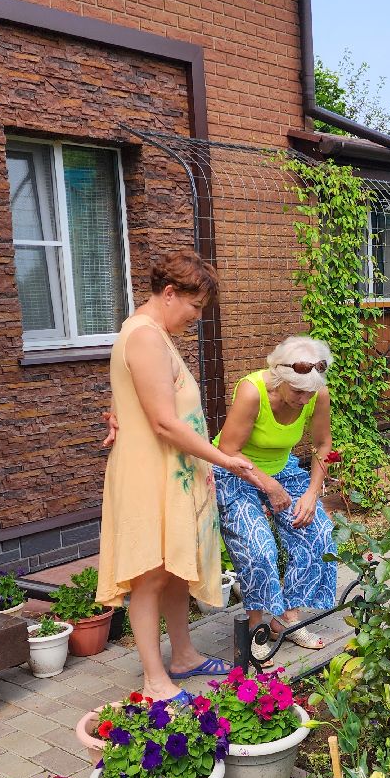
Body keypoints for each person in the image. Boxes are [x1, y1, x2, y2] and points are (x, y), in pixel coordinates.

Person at [95, 250, 258, 702]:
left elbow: (139, 402)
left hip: (169, 472)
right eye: (195, 307)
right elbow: (165, 423)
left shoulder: (155, 334)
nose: (196, 318)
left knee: (171, 569)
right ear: (170, 294)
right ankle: (154, 680)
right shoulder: (145, 337)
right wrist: (225, 460)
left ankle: (183, 655)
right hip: (149, 475)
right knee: (149, 574)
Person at [212, 336, 338, 652]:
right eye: (297, 391)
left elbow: (323, 444)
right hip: (235, 470)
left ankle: (286, 619)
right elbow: (229, 449)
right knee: (258, 546)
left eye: (309, 392)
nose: (303, 398)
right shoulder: (252, 391)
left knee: (318, 534)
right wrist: (268, 485)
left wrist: (311, 495)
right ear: (279, 378)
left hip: (282, 469)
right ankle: (255, 629)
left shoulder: (316, 394)